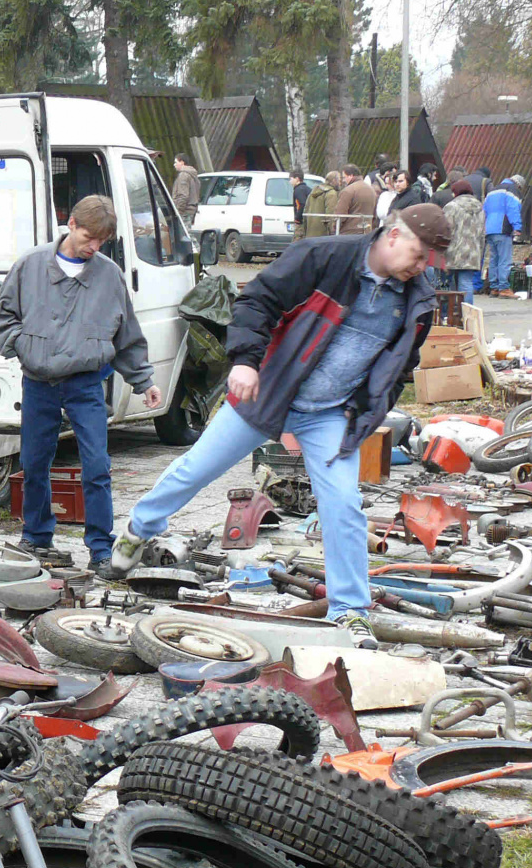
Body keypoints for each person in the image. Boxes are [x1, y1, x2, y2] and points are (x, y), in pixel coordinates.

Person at [104, 204, 451, 639]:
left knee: (343, 506)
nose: (421, 268)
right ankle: (139, 527)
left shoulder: (416, 302)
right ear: (394, 236)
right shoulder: (322, 258)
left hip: (331, 415)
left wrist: (367, 410)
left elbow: (401, 365)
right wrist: (245, 361)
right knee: (195, 469)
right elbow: (257, 301)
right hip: (267, 393)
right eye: (418, 256)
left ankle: (348, 609)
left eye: (428, 262)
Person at [0, 194, 162, 570]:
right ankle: (36, 538)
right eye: (88, 237)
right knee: (34, 462)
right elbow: (2, 316)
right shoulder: (30, 266)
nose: (94, 247)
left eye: (102, 241)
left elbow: (127, 336)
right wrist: (24, 347)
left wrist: (144, 381)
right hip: (39, 382)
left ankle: (100, 549)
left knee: (97, 465)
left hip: (86, 385)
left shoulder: (110, 276)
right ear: (71, 225)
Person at [443, 174, 485, 303]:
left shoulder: (451, 206)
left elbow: (446, 230)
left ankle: (450, 311)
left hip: (453, 251)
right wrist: (480, 251)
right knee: (466, 282)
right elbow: (482, 233)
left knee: (448, 283)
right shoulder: (480, 207)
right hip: (472, 251)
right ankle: (467, 311)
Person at [482, 174, 524, 294]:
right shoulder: (512, 190)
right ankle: (504, 287)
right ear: (519, 185)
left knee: (494, 259)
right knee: (504, 259)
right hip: (502, 228)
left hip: (489, 229)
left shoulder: (492, 191)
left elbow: (484, 210)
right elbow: (513, 209)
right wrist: (517, 227)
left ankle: (494, 287)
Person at [335, 163, 377, 235]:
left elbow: (340, 214)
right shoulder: (372, 190)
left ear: (351, 176)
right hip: (366, 232)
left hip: (349, 233)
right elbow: (374, 214)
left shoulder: (347, 191)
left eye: (344, 177)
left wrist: (334, 229)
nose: (343, 180)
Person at [304, 171, 340, 239]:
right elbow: (331, 214)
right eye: (339, 180)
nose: (340, 183)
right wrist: (332, 232)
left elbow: (306, 211)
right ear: (334, 180)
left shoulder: (313, 192)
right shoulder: (331, 193)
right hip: (323, 235)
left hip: (310, 233)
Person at [171, 154, 200, 226]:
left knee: (182, 232)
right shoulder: (193, 174)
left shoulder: (183, 175)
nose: (174, 165)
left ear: (182, 162)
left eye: (176, 162)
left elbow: (183, 196)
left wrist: (178, 212)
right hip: (191, 210)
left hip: (184, 211)